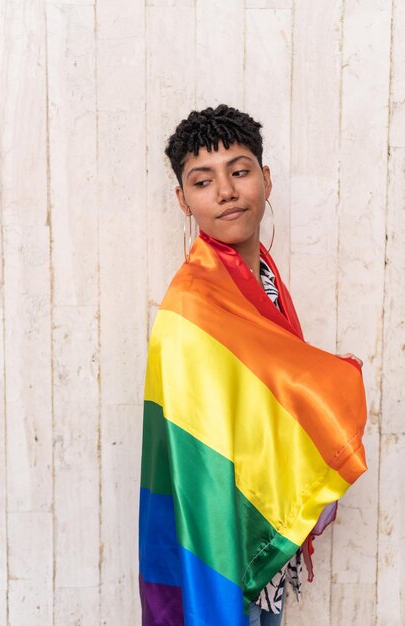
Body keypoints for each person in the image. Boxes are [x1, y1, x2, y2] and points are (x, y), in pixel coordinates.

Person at [139, 104, 367, 626]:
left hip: (261, 515)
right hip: (222, 526)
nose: (225, 191)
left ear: (265, 180)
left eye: (239, 172)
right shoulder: (193, 304)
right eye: (203, 181)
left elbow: (270, 396)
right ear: (182, 199)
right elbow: (197, 445)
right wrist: (335, 384)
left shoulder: (261, 277)